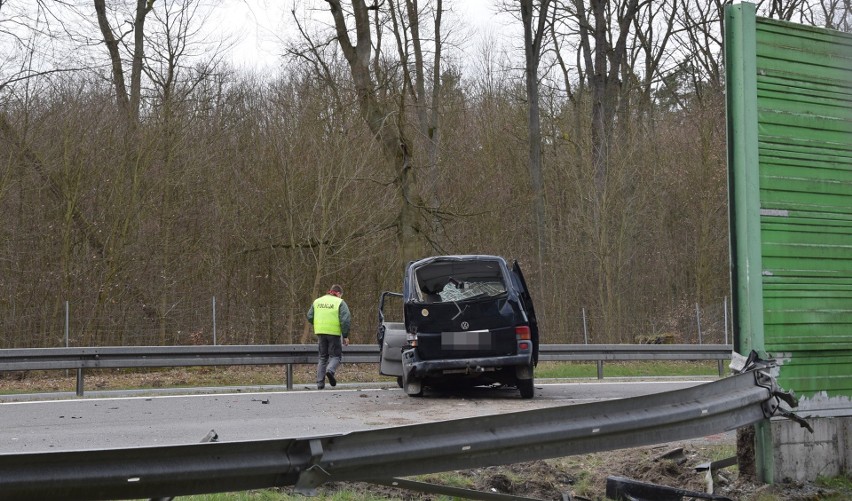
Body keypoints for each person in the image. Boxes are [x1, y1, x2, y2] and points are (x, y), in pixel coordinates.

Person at [306, 284, 351, 389]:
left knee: (322, 357)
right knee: (336, 356)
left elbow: (309, 316)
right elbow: (345, 320)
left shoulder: (317, 301)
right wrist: (345, 336)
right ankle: (330, 371)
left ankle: (320, 383)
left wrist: (319, 324)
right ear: (339, 293)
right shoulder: (340, 302)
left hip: (320, 332)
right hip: (334, 333)